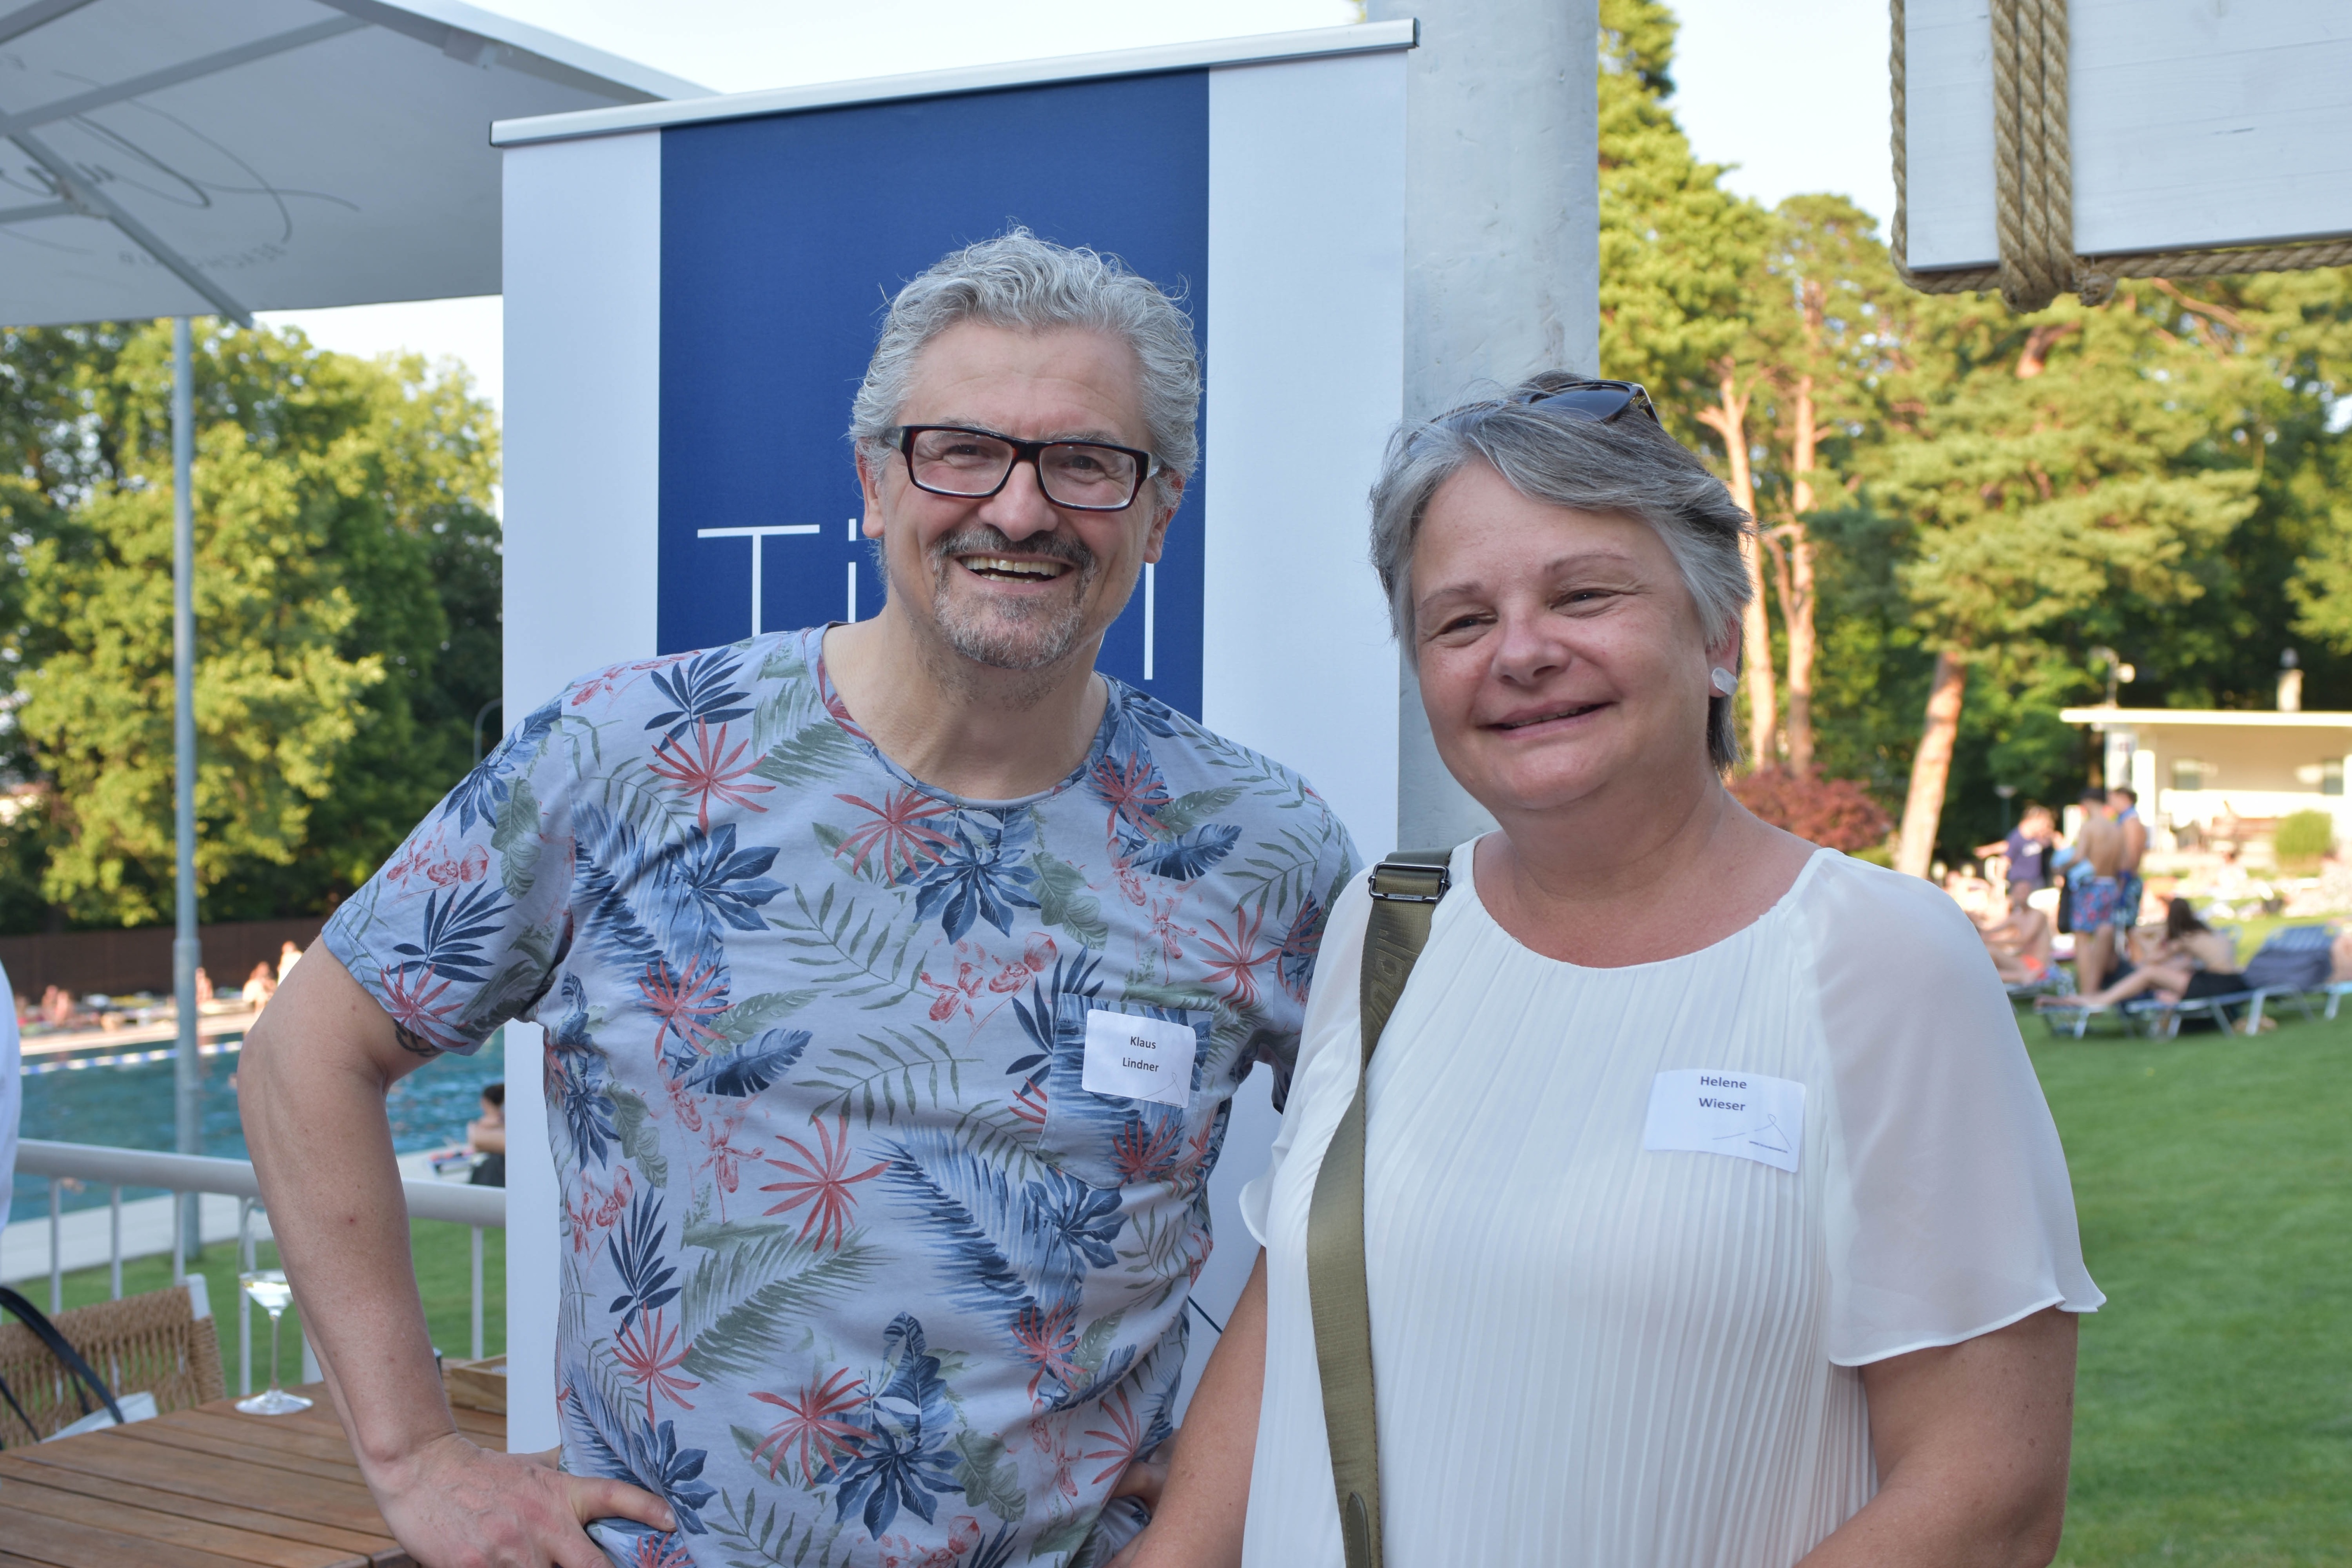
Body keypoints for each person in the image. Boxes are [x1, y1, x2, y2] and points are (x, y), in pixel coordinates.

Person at [238, 231, 1357, 1568]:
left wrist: (1200, 1527)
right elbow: (306, 1052)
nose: (1018, 509)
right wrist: (414, 1456)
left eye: (1085, 462)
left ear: (1160, 511)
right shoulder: (630, 756)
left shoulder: (1261, 848)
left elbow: (1363, 1203)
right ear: (874, 485)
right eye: (960, 451)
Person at [1121, 374, 2100, 1568]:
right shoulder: (1390, 925)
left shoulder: (1875, 957)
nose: (1522, 652)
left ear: (1717, 636)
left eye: (1583, 594)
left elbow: (1986, 1496)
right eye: (1460, 621)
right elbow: (1297, 1305)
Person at [2045, 898, 2242, 1010]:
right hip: (2234, 981)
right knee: (2158, 977)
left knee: (2149, 973)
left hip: (2217, 984)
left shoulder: (2185, 937)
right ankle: (2101, 998)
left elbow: (2151, 961)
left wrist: (2152, 940)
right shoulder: (2205, 931)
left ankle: (2100, 1000)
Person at [2061, 788, 2127, 996]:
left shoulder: (2089, 827)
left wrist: (2060, 867)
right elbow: (2121, 863)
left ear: (2088, 803)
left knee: (2082, 938)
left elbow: (2079, 857)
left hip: (2091, 887)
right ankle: (2096, 987)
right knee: (2104, 937)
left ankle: (2086, 991)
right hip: (2110, 885)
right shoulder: (2116, 829)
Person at [2109, 786, 2148, 928]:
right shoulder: (2125, 820)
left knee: (2126, 928)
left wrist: (2123, 880)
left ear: (2124, 799)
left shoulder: (2130, 822)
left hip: (2127, 880)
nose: (2111, 804)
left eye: (2113, 800)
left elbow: (2132, 855)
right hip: (2124, 879)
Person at [467, 1082, 507, 1188]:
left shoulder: (479, 1127)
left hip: (490, 1175)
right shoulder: (508, 1121)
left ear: (485, 1101)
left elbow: (476, 1144)